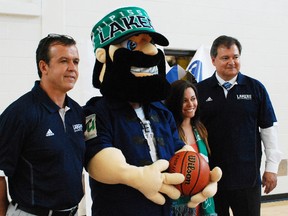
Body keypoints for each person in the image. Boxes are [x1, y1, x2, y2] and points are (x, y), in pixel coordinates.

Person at [83, 6, 221, 216]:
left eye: (149, 43)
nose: (148, 52)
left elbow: (178, 149)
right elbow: (96, 158)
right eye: (132, 44)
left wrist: (201, 176)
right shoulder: (98, 110)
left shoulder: (161, 111)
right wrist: (134, 176)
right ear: (104, 56)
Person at [0, 34, 86, 216]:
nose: (72, 68)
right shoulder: (20, 113)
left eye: (76, 62)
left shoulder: (77, 112)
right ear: (44, 66)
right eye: (64, 61)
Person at [196, 35, 282, 216]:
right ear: (213, 60)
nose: (231, 62)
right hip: (211, 179)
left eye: (235, 57)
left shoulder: (255, 88)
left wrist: (271, 168)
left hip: (247, 179)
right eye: (225, 58)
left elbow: (268, 129)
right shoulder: (200, 91)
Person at [165, 79, 217, 216]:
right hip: (177, 203)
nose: (191, 104)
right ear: (175, 103)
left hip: (200, 201)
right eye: (184, 100)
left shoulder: (199, 129)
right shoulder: (168, 132)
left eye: (193, 99)